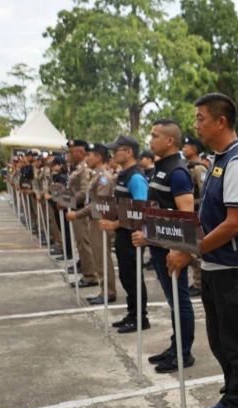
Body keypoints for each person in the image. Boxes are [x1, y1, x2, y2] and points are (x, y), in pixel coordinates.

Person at [168, 93, 238, 408]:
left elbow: (235, 222)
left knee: (235, 338)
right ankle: (231, 393)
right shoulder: (220, 160)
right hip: (214, 266)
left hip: (233, 267)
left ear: (221, 121)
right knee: (220, 339)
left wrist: (191, 251)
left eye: (201, 118)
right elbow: (209, 215)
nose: (196, 125)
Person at [132, 119, 196, 373]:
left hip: (171, 250)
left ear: (169, 140)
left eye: (155, 135)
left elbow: (186, 214)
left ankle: (183, 353)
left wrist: (181, 250)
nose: (150, 140)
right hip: (159, 246)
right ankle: (175, 345)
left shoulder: (177, 171)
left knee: (179, 301)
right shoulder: (159, 168)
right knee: (173, 301)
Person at [103, 135, 150, 333]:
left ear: (129, 152)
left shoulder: (136, 177)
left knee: (133, 277)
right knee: (126, 276)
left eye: (117, 149)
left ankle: (140, 317)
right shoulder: (124, 175)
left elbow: (141, 210)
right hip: (123, 235)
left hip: (133, 235)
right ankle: (132, 313)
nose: (113, 153)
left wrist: (115, 223)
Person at [68, 143, 117, 304]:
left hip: (100, 220)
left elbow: (98, 203)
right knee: (98, 256)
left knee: (102, 257)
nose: (87, 158)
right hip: (95, 219)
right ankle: (104, 289)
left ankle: (108, 291)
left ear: (98, 157)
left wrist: (77, 214)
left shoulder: (103, 177)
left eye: (90, 155)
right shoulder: (96, 175)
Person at [62, 139, 99, 288]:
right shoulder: (77, 168)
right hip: (77, 210)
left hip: (82, 212)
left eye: (72, 152)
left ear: (81, 152)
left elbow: (85, 193)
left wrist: (67, 201)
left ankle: (90, 276)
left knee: (84, 244)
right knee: (81, 244)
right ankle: (86, 271)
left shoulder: (85, 169)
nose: (69, 155)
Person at [183, 136, 207, 297]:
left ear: (195, 149)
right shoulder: (188, 167)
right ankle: (197, 281)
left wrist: (191, 202)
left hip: (197, 213)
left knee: (196, 252)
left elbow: (204, 193)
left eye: (187, 146)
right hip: (190, 213)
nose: (184, 148)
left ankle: (199, 283)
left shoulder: (199, 169)